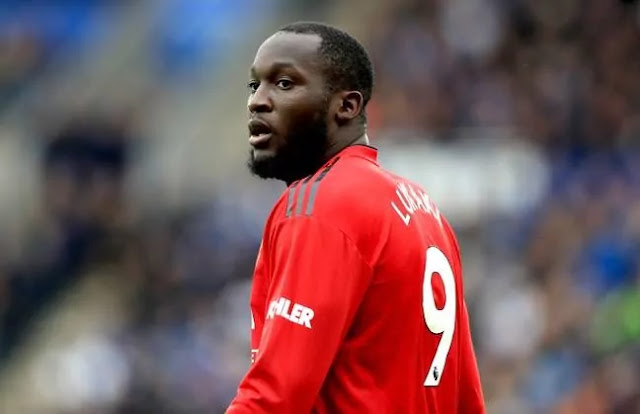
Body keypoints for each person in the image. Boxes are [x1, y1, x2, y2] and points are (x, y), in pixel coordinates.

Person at [226, 21, 485, 414]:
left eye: (284, 83)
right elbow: (466, 399)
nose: (257, 101)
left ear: (346, 106)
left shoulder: (320, 204)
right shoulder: (426, 213)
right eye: (254, 85)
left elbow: (274, 398)